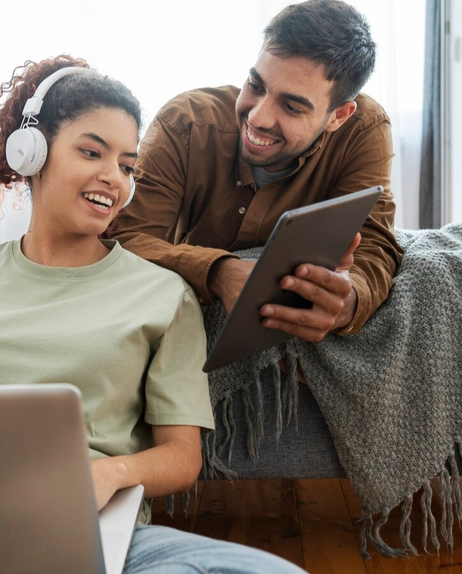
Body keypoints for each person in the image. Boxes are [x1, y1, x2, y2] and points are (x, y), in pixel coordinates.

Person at [0, 56, 318, 574]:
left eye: (128, 165)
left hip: (99, 534)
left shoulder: (163, 294)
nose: (113, 178)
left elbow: (182, 457)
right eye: (91, 152)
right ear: (31, 151)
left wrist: (108, 473)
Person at [108, 0, 403, 342]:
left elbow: (375, 241)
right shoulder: (184, 123)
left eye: (291, 107)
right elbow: (125, 239)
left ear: (338, 116)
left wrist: (348, 301)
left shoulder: (364, 129)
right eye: (255, 85)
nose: (258, 118)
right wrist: (219, 272)